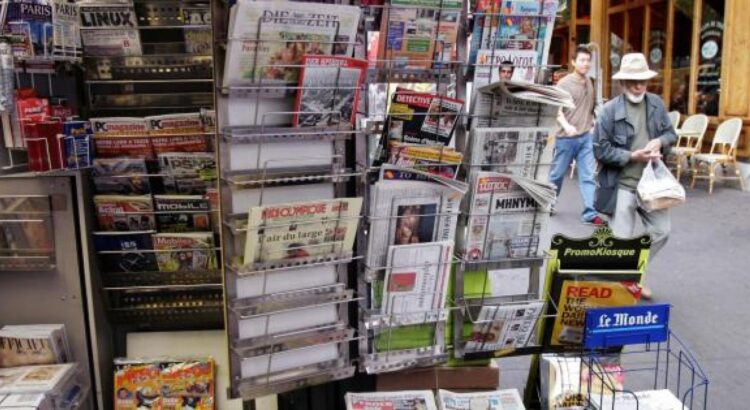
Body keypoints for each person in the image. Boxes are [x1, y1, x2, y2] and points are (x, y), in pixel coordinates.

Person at [593, 52, 678, 299]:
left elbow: (672, 135)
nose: (639, 85)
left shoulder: (656, 104)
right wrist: (632, 156)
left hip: (652, 185)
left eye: (643, 80)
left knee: (662, 231)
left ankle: (631, 272)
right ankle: (625, 280)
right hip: (621, 185)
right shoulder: (609, 111)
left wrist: (660, 141)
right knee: (620, 241)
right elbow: (600, 149)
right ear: (622, 82)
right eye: (633, 80)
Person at [549, 45, 603, 225]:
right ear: (573, 62)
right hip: (565, 138)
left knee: (588, 176)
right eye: (582, 60)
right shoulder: (563, 83)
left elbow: (593, 107)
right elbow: (556, 110)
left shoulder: (590, 82)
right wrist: (566, 125)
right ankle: (548, 202)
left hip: (585, 137)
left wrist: (594, 124)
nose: (586, 64)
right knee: (557, 175)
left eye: (588, 61)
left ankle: (590, 213)